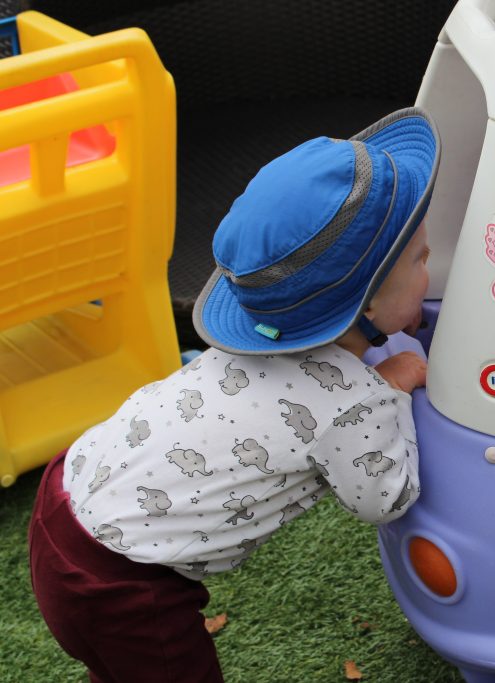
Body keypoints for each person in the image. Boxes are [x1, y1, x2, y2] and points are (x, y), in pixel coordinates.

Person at [27, 107, 440, 682]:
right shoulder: (353, 404)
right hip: (121, 584)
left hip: (63, 498)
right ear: (366, 306)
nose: (431, 266)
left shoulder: (255, 342)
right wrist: (394, 386)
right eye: (421, 259)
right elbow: (386, 499)